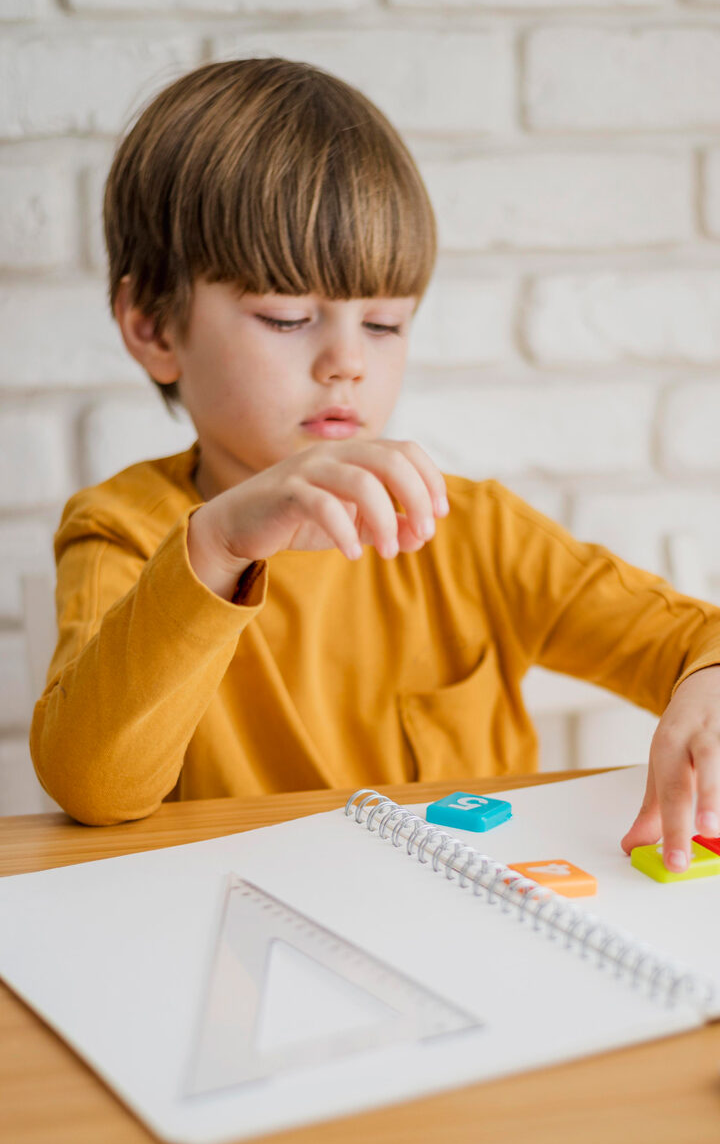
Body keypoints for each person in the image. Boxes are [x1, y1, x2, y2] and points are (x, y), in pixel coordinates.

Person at [30, 57, 720, 874]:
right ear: (152, 326)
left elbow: (687, 639)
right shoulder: (121, 530)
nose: (347, 362)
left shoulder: (476, 531)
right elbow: (92, 787)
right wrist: (214, 550)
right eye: (287, 317)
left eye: (386, 324)